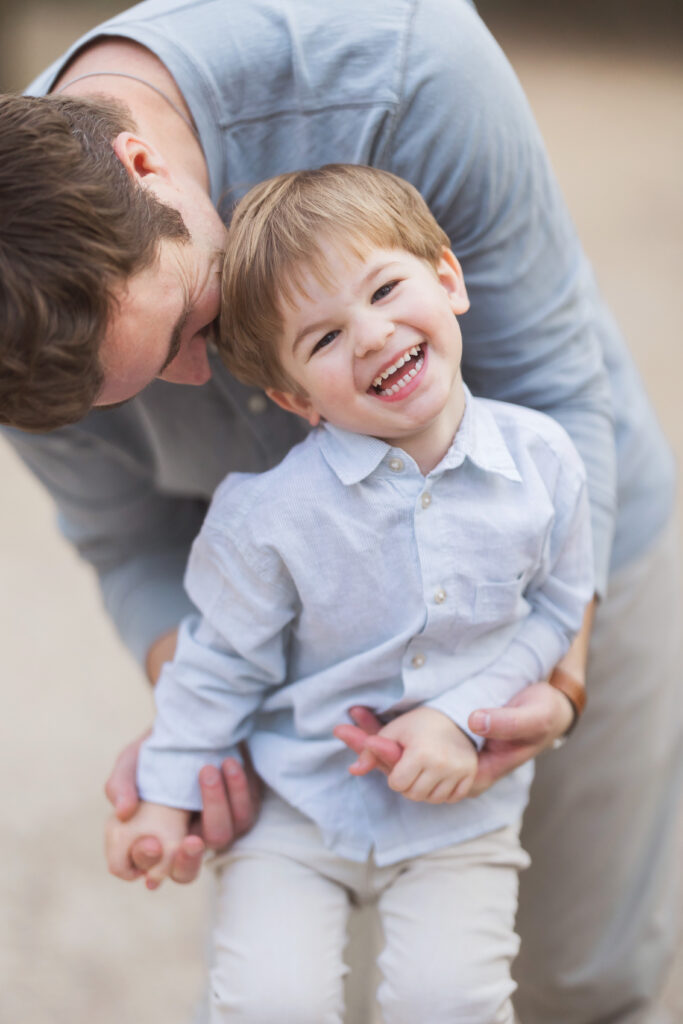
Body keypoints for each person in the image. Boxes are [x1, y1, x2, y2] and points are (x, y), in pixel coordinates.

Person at [0, 2, 678, 1021]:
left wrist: (559, 675)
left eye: (192, 320)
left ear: (145, 165)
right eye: (132, 388)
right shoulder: (22, 323)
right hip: (308, 644)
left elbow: (555, 395)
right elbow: (124, 533)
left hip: (547, 563)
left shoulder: (408, 70)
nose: (198, 380)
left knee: (575, 973)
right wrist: (197, 731)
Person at [106, 164, 595, 1023]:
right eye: (322, 339)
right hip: (295, 804)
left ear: (447, 279)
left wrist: (462, 715)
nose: (369, 335)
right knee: (267, 1002)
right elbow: (218, 664)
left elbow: (560, 607)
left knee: (448, 1001)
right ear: (295, 398)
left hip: (459, 814)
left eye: (384, 289)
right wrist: (163, 793)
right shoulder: (268, 517)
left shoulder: (544, 461)